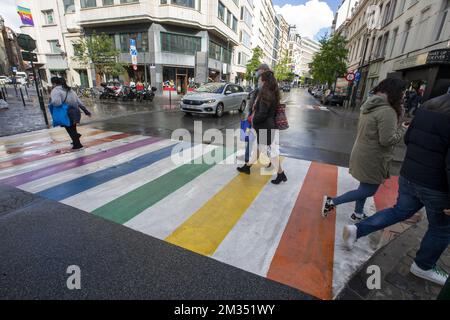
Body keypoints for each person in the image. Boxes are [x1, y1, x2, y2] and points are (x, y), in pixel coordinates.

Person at [342, 92, 450, 286]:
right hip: (437, 184)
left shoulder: (427, 107)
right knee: (441, 228)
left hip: (410, 174)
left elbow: (409, 139)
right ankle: (424, 266)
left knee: (399, 211)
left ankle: (357, 230)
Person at [322, 78, 409, 222]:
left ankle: (358, 213)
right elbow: (387, 140)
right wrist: (403, 129)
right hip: (374, 157)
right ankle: (331, 202)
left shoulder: (371, 105)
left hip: (363, 152)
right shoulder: (387, 111)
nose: (404, 95)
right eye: (403, 92)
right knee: (369, 190)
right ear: (395, 92)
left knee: (364, 186)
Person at [237, 70, 287, 185]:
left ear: (263, 80)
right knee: (258, 149)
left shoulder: (265, 93)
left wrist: (253, 120)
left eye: (259, 79)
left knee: (269, 152)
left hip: (264, 127)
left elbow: (263, 113)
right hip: (268, 126)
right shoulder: (273, 92)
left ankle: (281, 173)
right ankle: (247, 167)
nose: (258, 81)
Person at [239, 64, 271, 166]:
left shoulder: (267, 87)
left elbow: (264, 107)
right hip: (255, 119)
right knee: (252, 140)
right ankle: (247, 161)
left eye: (259, 70)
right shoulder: (261, 85)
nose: (257, 73)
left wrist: (255, 118)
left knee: (262, 144)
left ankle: (269, 163)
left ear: (264, 71)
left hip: (261, 120)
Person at [50, 77, 91, 150]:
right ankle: (76, 142)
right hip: (75, 111)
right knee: (73, 128)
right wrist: (86, 111)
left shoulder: (55, 91)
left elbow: (57, 103)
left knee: (70, 129)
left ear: (54, 83)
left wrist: (52, 102)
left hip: (66, 112)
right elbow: (79, 102)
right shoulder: (70, 89)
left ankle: (77, 144)